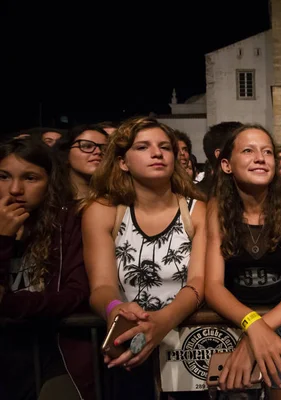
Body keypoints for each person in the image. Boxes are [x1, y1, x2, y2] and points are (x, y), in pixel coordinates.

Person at [82, 117, 206, 399]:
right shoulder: (103, 210)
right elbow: (101, 285)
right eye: (143, 147)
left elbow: (199, 281)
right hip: (129, 346)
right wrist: (115, 308)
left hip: (185, 347)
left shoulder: (198, 210)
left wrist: (162, 322)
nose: (157, 153)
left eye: (165, 147)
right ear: (123, 161)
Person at [204, 124, 281, 400]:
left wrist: (260, 330)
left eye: (268, 152)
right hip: (232, 323)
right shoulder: (217, 208)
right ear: (226, 164)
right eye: (248, 151)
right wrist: (251, 326)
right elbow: (212, 286)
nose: (261, 158)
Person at [0, 138, 94, 399]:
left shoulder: (69, 221)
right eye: (3, 176)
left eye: (30, 178)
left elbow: (76, 293)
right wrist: (3, 239)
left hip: (55, 355)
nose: (15, 189)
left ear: (49, 182)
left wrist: (9, 305)